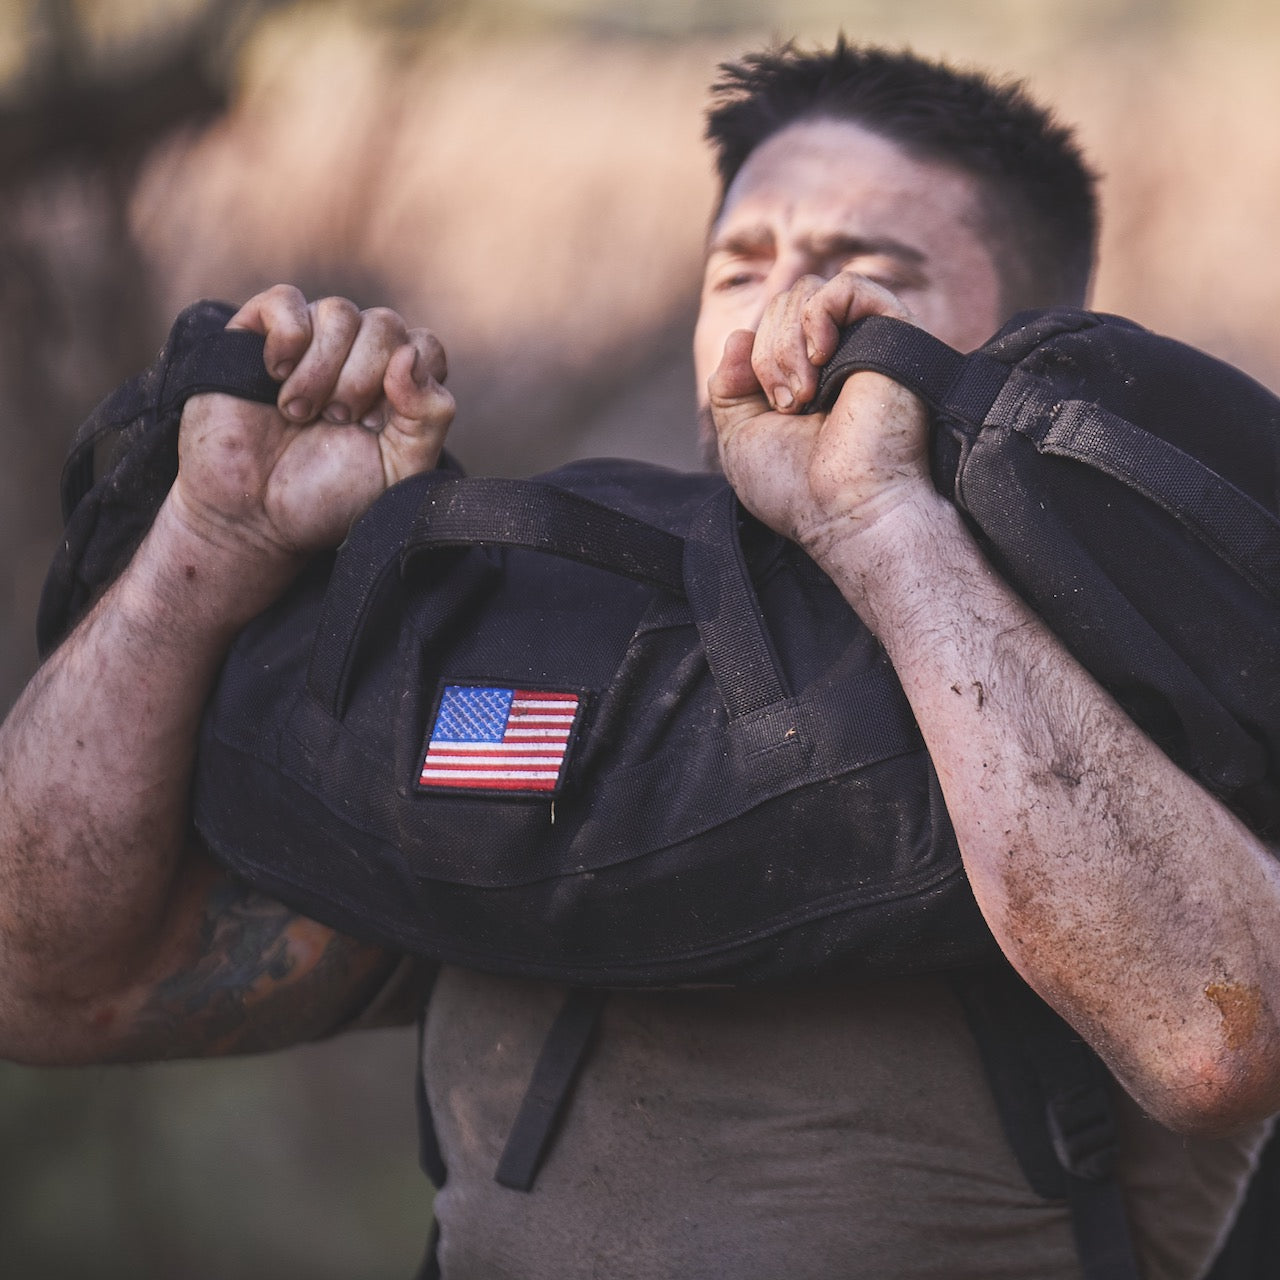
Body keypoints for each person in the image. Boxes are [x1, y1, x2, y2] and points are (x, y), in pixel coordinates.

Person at [1, 37, 1277, 1279]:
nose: (785, 307)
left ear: (1032, 339)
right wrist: (211, 539)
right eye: (742, 262)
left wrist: (880, 524)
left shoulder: (1167, 686)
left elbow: (1212, 1038)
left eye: (859, 269)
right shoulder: (581, 692)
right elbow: (43, 979)